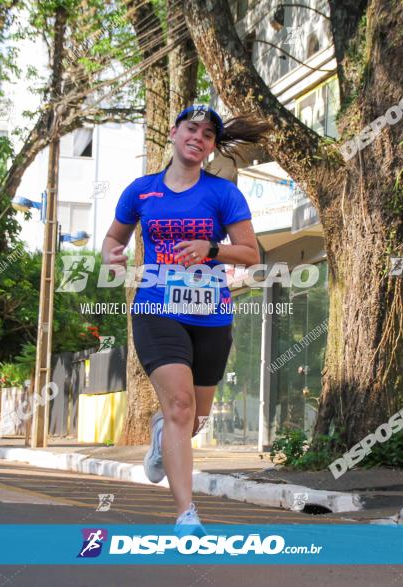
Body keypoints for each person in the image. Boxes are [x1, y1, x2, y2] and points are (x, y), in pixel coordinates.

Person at [101, 105, 266, 535]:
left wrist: (211, 248)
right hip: (157, 306)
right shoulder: (141, 191)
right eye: (191, 129)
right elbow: (114, 238)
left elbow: (250, 254)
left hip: (211, 313)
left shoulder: (222, 193)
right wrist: (110, 255)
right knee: (179, 405)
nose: (198, 138)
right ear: (174, 133)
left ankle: (162, 438)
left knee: (194, 419)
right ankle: (186, 513)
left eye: (208, 134)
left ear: (212, 146)